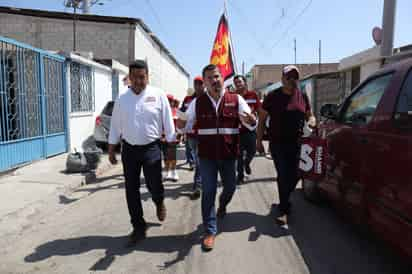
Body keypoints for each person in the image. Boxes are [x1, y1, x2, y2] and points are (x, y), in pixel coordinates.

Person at [177, 64, 256, 251]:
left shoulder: (235, 99)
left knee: (230, 187)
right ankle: (210, 231)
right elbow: (185, 126)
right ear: (204, 82)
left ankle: (223, 204)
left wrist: (251, 121)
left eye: (217, 76)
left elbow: (250, 122)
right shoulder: (197, 103)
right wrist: (181, 124)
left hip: (229, 155)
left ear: (222, 79)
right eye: (210, 78)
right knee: (209, 191)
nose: (215, 80)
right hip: (207, 157)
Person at [108, 60, 176, 247]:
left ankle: (159, 201)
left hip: (152, 148)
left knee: (155, 184)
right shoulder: (122, 98)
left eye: (142, 77)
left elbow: (168, 122)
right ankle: (138, 226)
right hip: (129, 149)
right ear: (129, 78)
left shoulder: (158, 95)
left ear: (147, 76)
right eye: (134, 77)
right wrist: (112, 149)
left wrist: (171, 147)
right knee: (131, 189)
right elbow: (115, 125)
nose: (138, 81)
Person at [256, 65, 315, 225]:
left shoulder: (302, 96)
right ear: (282, 79)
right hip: (278, 143)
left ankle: (284, 200)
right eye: (288, 77)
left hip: (298, 143)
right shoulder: (272, 96)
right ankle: (283, 209)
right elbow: (261, 120)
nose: (292, 80)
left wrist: (311, 121)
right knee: (283, 174)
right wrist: (259, 141)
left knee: (297, 174)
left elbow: (310, 115)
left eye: (295, 77)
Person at [233, 75, 262, 184]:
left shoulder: (253, 95)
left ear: (244, 82)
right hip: (238, 131)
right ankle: (240, 176)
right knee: (239, 155)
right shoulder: (233, 96)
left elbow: (259, 110)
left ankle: (247, 163)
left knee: (252, 151)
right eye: (236, 82)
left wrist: (259, 124)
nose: (238, 84)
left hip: (251, 130)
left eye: (240, 82)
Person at [180, 76, 205, 199]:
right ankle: (200, 182)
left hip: (204, 136)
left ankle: (198, 186)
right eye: (196, 84)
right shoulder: (188, 99)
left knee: (200, 161)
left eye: (200, 84)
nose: (198, 86)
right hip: (191, 135)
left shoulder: (208, 98)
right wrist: (182, 129)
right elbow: (182, 114)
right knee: (198, 160)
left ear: (204, 85)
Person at [162, 95, 180, 182]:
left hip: (173, 137)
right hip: (164, 137)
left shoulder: (176, 111)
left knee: (172, 156)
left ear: (173, 101)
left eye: (171, 100)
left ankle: (174, 172)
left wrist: (179, 135)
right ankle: (167, 172)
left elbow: (179, 125)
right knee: (166, 156)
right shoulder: (162, 111)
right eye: (168, 100)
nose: (169, 102)